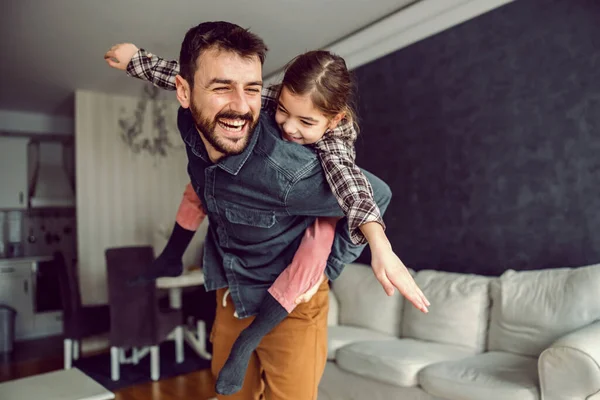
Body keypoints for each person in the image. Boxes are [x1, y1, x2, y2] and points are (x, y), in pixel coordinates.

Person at [105, 21, 427, 400]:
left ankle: (264, 325)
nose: (289, 128)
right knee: (198, 188)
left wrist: (369, 249)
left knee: (316, 247)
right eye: (223, 87)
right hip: (233, 290)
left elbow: (363, 191)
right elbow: (182, 74)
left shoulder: (312, 161)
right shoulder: (249, 106)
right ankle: (172, 259)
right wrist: (135, 61)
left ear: (332, 120)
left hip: (301, 278)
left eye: (305, 122)